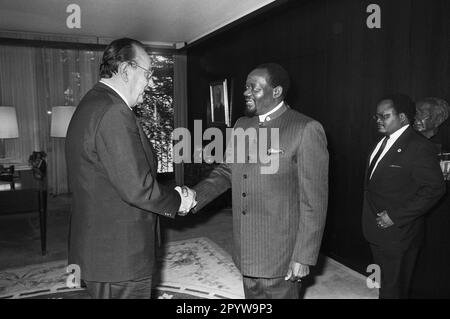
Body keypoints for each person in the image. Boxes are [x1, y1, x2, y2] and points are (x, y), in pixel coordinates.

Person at [66, 38, 196, 299]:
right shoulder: (113, 111)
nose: (150, 82)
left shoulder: (93, 103)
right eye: (148, 74)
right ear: (126, 70)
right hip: (118, 257)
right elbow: (138, 187)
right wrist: (178, 199)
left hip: (101, 250)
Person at [188, 63, 329, 299]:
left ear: (276, 91)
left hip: (281, 253)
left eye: (253, 88)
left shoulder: (305, 128)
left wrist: (303, 256)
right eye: (246, 87)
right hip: (247, 248)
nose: (246, 92)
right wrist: (193, 197)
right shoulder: (243, 124)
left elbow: (314, 202)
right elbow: (226, 171)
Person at [362, 93, 445, 299]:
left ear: (403, 118)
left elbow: (435, 189)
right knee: (382, 285)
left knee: (394, 291)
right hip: (375, 231)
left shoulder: (420, 147)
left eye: (385, 115)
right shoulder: (381, 141)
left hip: (398, 234)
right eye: (377, 116)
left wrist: (395, 216)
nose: (379, 120)